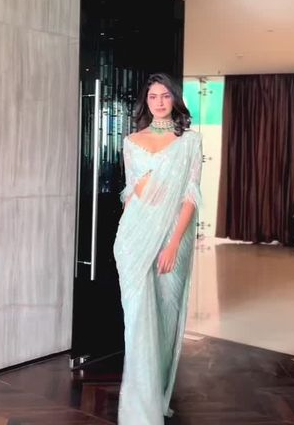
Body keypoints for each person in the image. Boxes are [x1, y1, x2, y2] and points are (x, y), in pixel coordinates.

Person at [113, 73, 203, 425]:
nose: (160, 102)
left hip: (171, 240)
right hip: (134, 238)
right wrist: (127, 239)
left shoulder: (189, 141)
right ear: (146, 101)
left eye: (166, 96)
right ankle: (139, 409)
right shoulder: (131, 141)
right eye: (153, 96)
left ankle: (156, 392)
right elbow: (130, 193)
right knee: (137, 320)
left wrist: (174, 243)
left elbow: (190, 195)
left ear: (175, 99)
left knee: (165, 313)